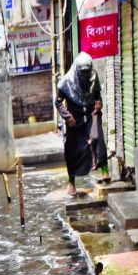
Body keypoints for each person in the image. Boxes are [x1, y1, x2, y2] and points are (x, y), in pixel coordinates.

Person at [57, 51, 109, 197]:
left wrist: (99, 102)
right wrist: (68, 116)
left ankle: (105, 172)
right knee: (73, 149)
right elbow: (58, 102)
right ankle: (71, 182)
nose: (86, 74)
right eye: (83, 71)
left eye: (87, 71)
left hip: (91, 113)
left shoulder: (93, 76)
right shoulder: (67, 81)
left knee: (98, 140)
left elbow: (97, 93)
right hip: (75, 117)